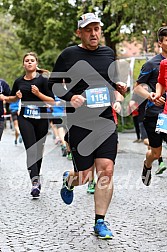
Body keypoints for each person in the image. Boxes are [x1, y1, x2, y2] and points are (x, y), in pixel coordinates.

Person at [48, 13, 126, 239]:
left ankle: (100, 221)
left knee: (106, 170)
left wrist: (117, 93)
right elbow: (53, 85)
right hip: (80, 122)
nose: (94, 34)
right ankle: (69, 180)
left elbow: (111, 84)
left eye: (97, 29)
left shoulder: (108, 53)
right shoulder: (69, 55)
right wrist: (71, 96)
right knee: (84, 175)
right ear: (79, 32)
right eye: (88, 30)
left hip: (105, 122)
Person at [0, 52, 54, 197]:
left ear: (36, 64)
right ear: (23, 64)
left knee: (38, 150)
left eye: (32, 60)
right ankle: (35, 183)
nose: (29, 62)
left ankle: (36, 174)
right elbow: (11, 99)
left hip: (42, 118)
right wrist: (14, 97)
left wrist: (38, 94)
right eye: (27, 61)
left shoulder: (43, 80)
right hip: (25, 118)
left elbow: (52, 102)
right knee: (31, 149)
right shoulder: (19, 81)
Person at [134, 26, 167, 186]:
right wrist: (151, 96)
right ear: (160, 42)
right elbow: (137, 87)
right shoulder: (152, 64)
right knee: (155, 153)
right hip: (155, 114)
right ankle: (147, 165)